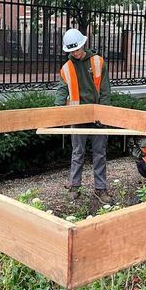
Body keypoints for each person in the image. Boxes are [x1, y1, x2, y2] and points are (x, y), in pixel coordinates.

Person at [55, 28, 112, 203]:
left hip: (98, 117)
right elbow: (61, 91)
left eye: (77, 49)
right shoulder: (66, 68)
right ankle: (74, 186)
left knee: (99, 153)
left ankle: (100, 189)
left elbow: (105, 90)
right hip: (78, 117)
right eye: (71, 50)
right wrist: (57, 112)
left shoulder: (97, 62)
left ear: (83, 45)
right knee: (77, 153)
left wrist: (105, 114)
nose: (75, 53)